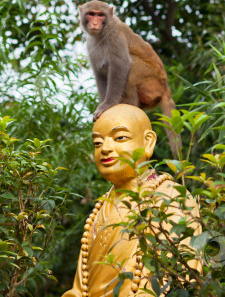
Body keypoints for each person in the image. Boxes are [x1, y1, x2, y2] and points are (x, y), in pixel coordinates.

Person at [63, 104, 201, 297]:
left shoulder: (170, 197)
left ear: (148, 142)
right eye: (97, 143)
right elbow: (80, 288)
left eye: (120, 138)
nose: (105, 149)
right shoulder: (101, 208)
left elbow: (180, 277)